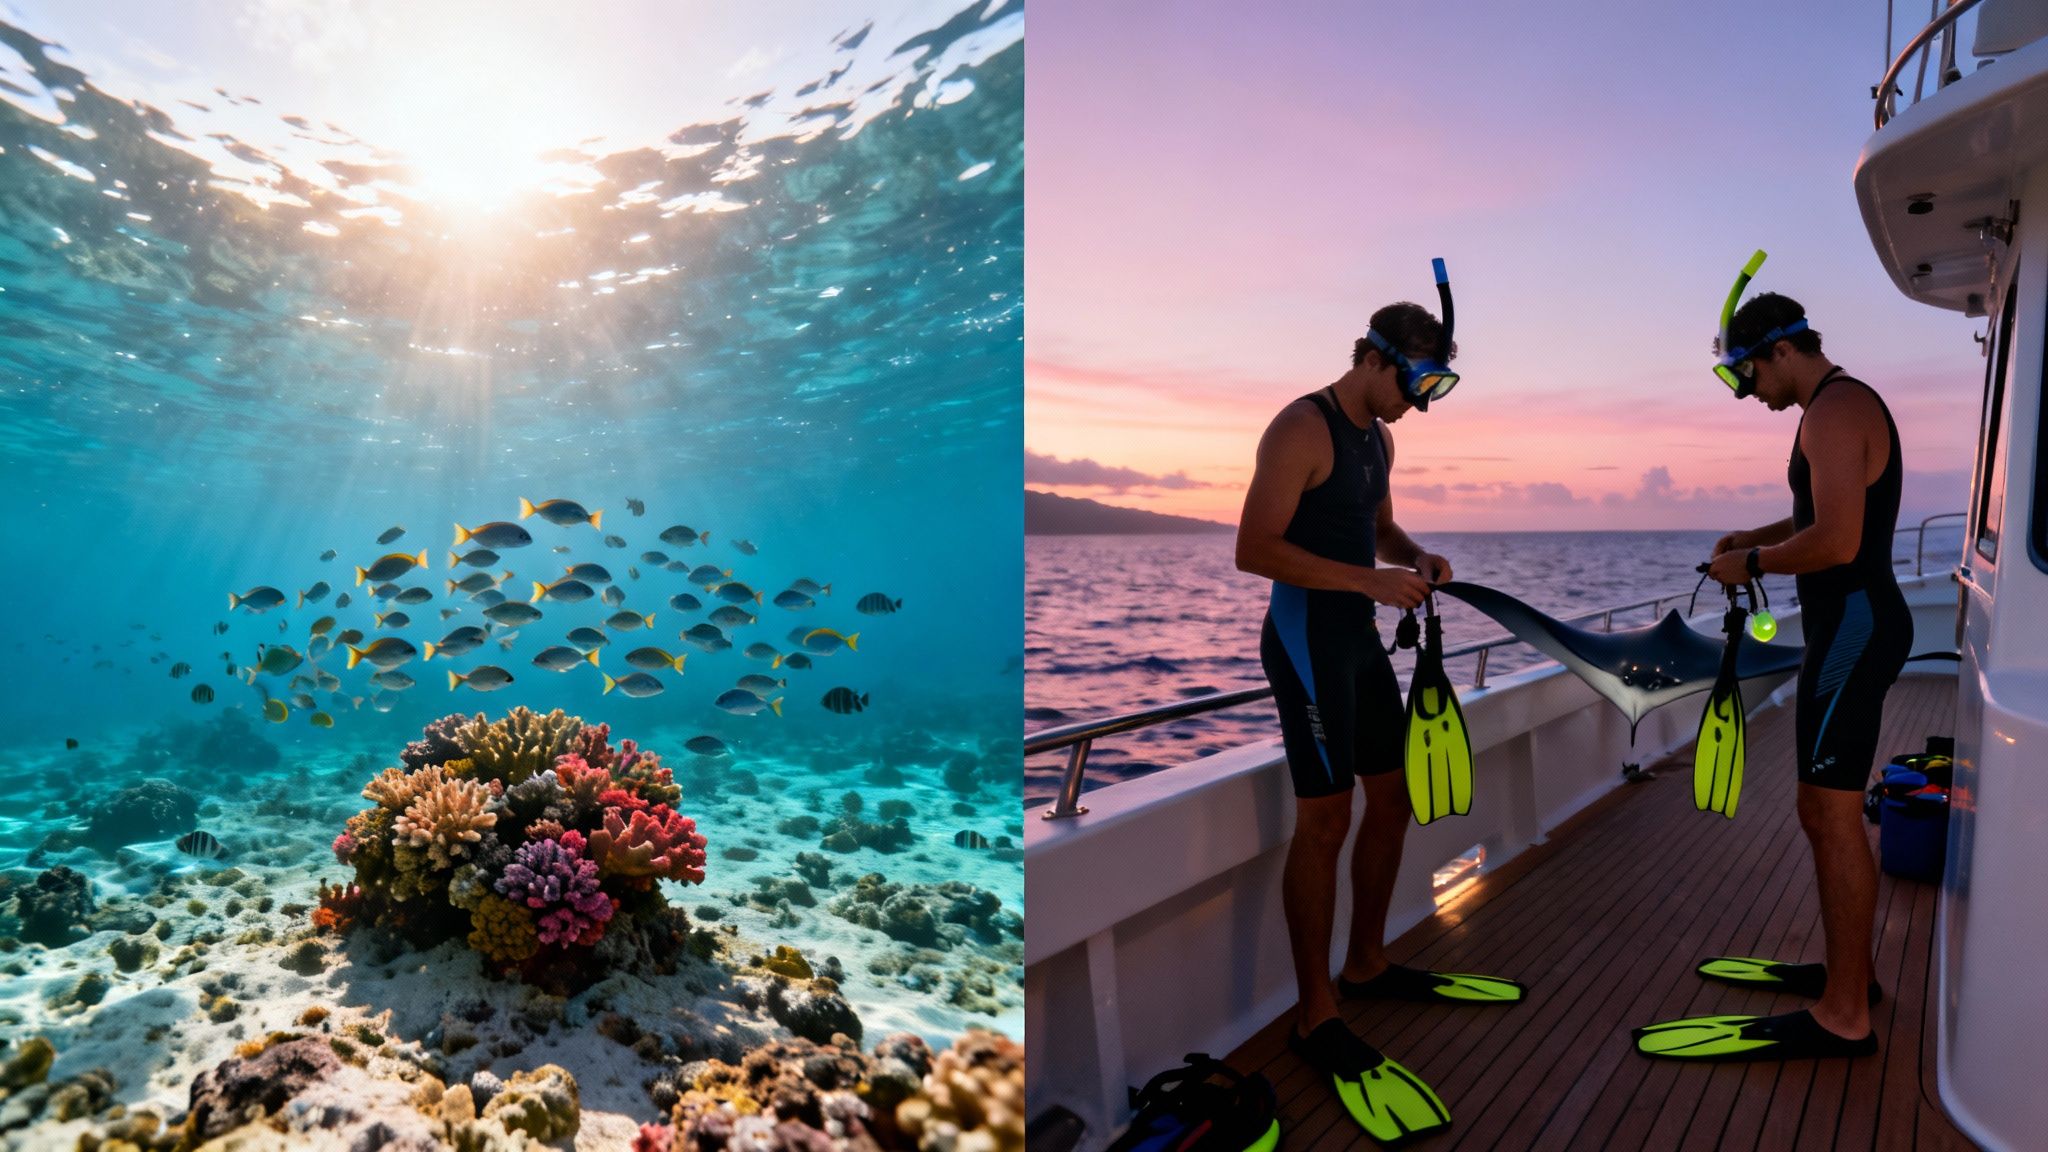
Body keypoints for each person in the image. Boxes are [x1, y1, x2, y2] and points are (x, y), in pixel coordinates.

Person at [1234, 282, 1518, 1140]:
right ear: (1373, 359)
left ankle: (1364, 963)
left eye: (1433, 391)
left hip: (1357, 641)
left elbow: (1379, 529)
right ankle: (1314, 1011)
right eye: (1415, 386)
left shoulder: (1380, 438)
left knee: (1389, 801)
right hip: (1307, 644)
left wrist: (1415, 555)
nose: (1419, 406)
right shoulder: (1300, 428)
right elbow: (1254, 549)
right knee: (1326, 823)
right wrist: (1366, 580)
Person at [1657, 290, 1910, 1061]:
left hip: (1854, 631)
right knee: (1821, 809)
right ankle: (1851, 976)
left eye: (1747, 378)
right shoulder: (1830, 408)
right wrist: (1755, 537)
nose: (1751, 396)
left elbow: (1836, 540)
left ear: (1779, 351)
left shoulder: (1833, 410)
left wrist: (1753, 562)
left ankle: (1843, 1016)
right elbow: (1820, 514)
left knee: (1829, 815)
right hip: (1849, 629)